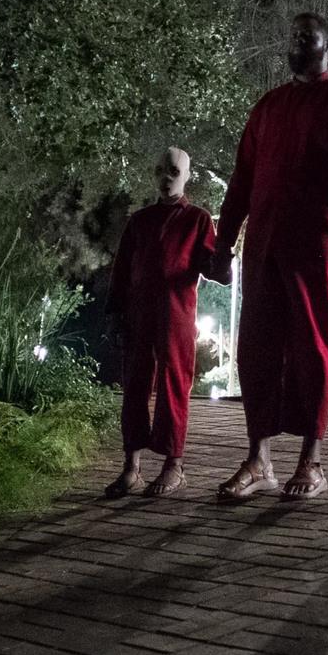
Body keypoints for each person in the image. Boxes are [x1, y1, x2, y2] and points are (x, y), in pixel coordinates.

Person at [209, 12, 328, 502]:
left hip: (315, 245)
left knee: (311, 348)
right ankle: (258, 458)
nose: (299, 41)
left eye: (309, 35)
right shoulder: (268, 107)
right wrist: (225, 242)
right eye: (294, 35)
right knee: (256, 348)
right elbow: (242, 181)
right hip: (263, 244)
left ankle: (312, 458)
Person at [106, 147, 217, 500]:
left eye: (173, 171)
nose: (166, 177)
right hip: (139, 314)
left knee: (173, 384)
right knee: (135, 386)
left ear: (186, 176)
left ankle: (173, 466)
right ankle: (132, 467)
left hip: (176, 315)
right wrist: (115, 314)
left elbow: (217, 270)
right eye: (161, 171)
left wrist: (224, 252)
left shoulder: (198, 219)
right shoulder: (139, 221)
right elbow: (122, 270)